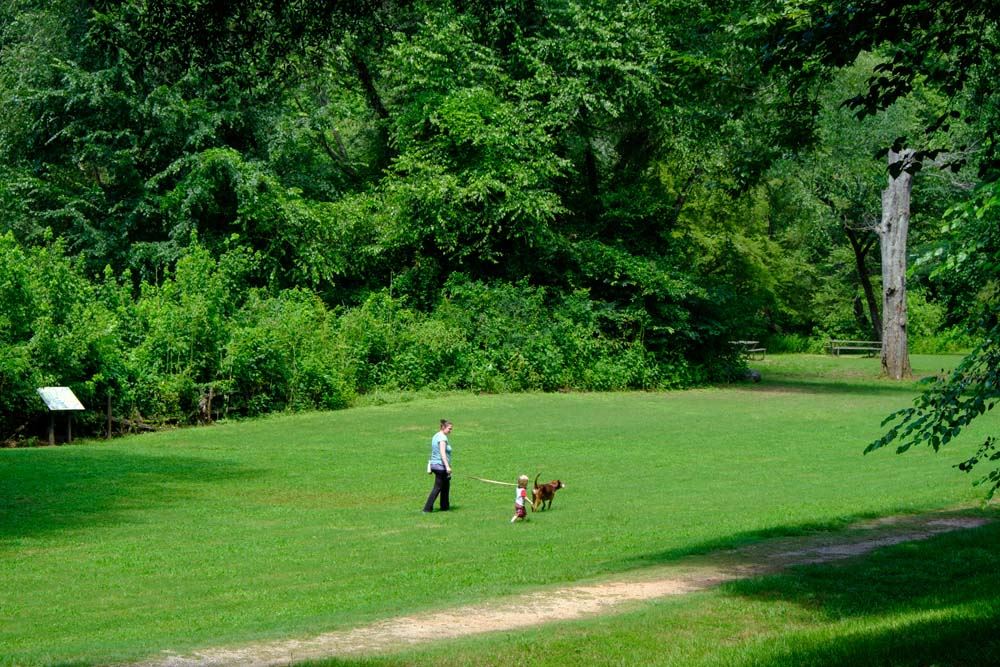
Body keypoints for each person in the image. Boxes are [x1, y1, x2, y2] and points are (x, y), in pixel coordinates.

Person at [422, 419, 453, 512]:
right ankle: (427, 509)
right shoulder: (442, 438)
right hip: (440, 466)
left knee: (446, 485)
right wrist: (447, 466)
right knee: (438, 487)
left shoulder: (436, 435)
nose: (450, 431)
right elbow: (442, 453)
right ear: (443, 427)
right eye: (449, 429)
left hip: (435, 465)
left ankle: (445, 506)